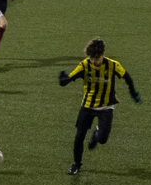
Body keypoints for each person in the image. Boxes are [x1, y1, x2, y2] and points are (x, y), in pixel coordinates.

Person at [58, 37, 140, 175]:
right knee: (79, 137)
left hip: (106, 107)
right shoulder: (84, 65)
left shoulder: (113, 65)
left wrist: (133, 92)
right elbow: (70, 78)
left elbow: (127, 77)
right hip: (87, 106)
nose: (95, 62)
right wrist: (63, 80)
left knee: (102, 139)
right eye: (92, 59)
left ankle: (96, 135)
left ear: (103, 54)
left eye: (97, 58)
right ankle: (76, 164)